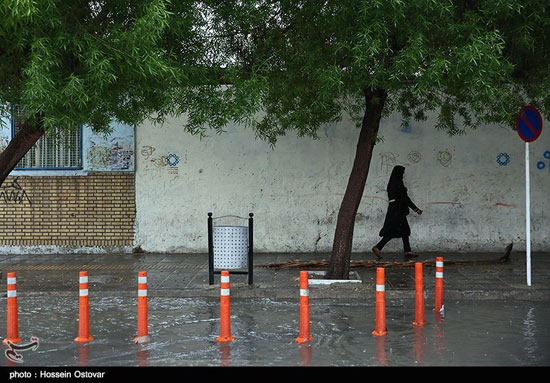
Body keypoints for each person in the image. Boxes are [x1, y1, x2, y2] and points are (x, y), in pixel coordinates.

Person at [372, 165, 423, 260]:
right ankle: (378, 247)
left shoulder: (392, 183)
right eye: (402, 173)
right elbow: (404, 198)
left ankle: (407, 250)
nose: (403, 175)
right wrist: (416, 209)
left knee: (404, 230)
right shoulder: (398, 183)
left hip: (394, 209)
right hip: (398, 210)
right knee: (395, 231)